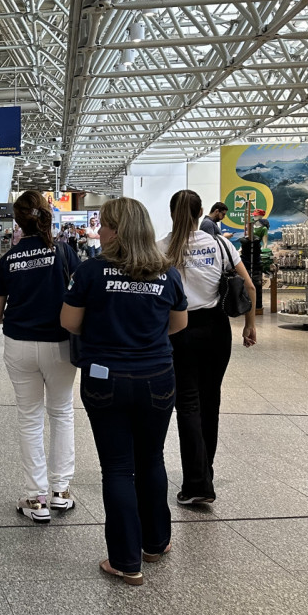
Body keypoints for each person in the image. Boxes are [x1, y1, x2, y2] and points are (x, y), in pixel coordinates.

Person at [61, 197, 187, 586]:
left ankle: (126, 561)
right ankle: (156, 541)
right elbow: (178, 325)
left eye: (105, 225)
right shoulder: (167, 272)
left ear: (118, 230)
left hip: (105, 378)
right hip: (157, 377)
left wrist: (108, 330)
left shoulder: (91, 271)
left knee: (117, 467)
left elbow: (70, 321)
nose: (99, 231)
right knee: (151, 458)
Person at [0, 190, 80, 523]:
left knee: (29, 417)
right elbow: (80, 299)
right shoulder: (65, 252)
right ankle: (60, 491)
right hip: (60, 344)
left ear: (17, 221)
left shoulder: (8, 260)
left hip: (20, 345)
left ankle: (35, 497)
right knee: (62, 412)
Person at [161, 190, 257, 507]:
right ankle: (206, 475)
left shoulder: (161, 248)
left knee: (187, 404)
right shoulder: (220, 244)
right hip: (216, 330)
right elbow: (249, 286)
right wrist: (250, 325)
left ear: (172, 212)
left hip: (178, 331)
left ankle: (197, 483)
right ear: (202, 211)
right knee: (210, 401)